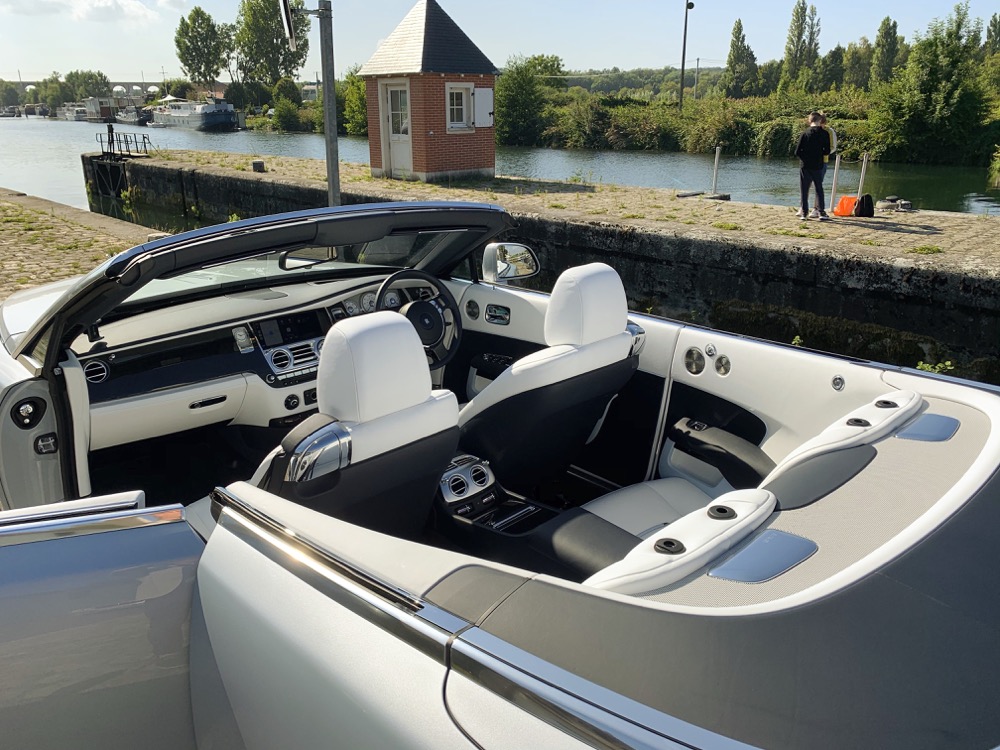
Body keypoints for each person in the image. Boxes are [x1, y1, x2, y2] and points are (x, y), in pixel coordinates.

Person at [794, 112, 831, 221]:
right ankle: (821, 212)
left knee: (804, 189)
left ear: (810, 121)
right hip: (818, 165)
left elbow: (797, 151)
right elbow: (827, 151)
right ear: (820, 121)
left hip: (805, 165)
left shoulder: (805, 133)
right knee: (819, 188)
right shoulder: (825, 134)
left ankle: (804, 213)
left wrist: (805, 159)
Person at [814, 112, 838, 217]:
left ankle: (816, 209)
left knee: (818, 184)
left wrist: (822, 153)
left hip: (823, 161)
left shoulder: (829, 131)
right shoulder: (812, 130)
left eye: (821, 123)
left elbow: (833, 147)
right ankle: (804, 208)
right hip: (811, 160)